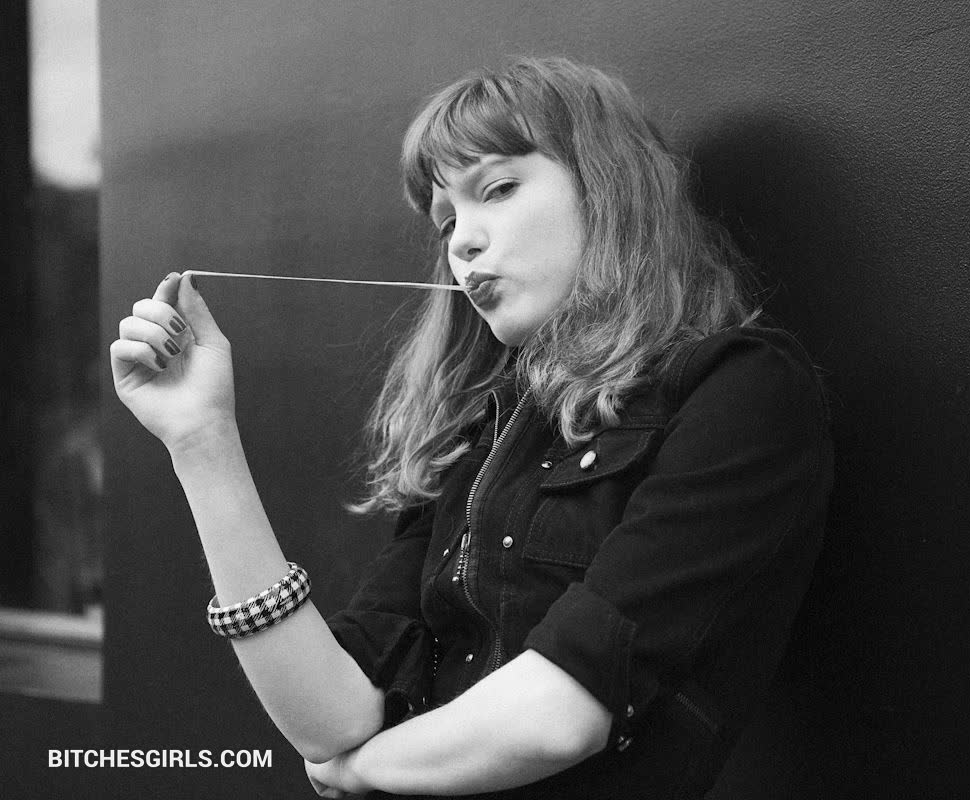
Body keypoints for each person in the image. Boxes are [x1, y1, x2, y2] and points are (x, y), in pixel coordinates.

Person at [110, 56, 833, 799]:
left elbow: (559, 717)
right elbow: (330, 717)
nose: (461, 243)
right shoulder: (482, 432)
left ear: (610, 188)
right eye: (446, 220)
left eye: (499, 188)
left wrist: (363, 769)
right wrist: (201, 440)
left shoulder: (740, 388)